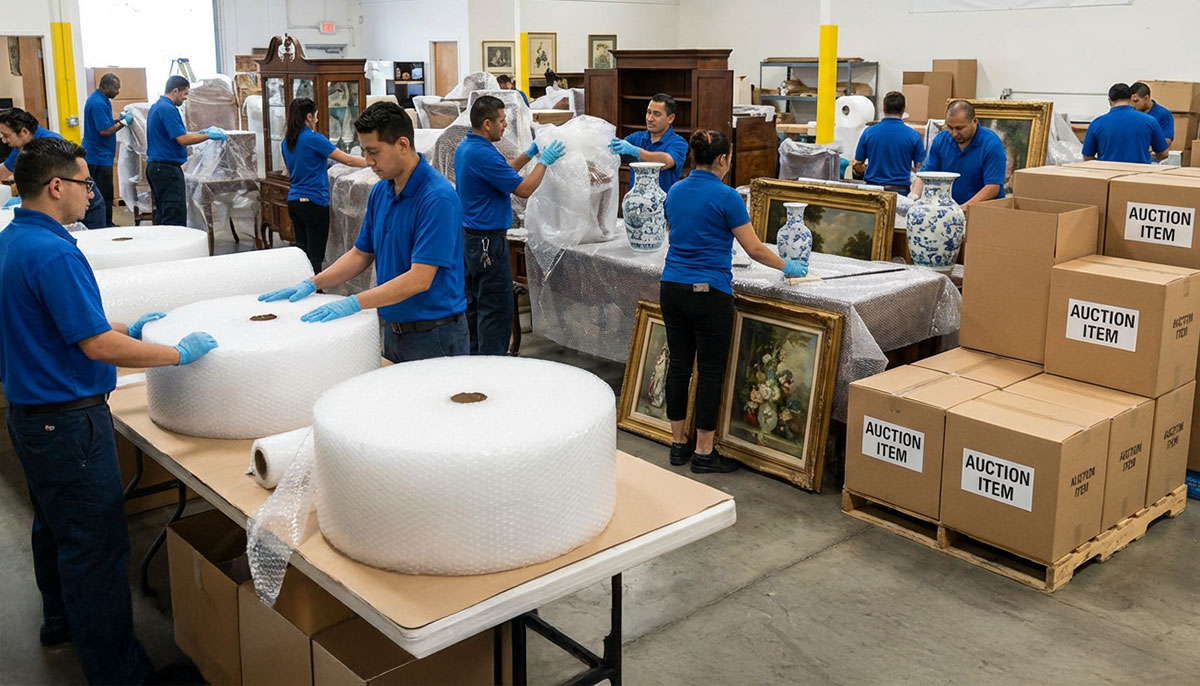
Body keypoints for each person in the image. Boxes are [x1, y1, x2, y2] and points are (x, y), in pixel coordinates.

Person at [0, 137, 217, 685]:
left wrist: (132, 327)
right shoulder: (55, 253)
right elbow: (95, 345)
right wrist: (175, 354)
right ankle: (121, 675)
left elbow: (67, 323)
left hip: (30, 416)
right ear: (56, 187)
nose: (92, 194)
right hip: (68, 422)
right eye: (84, 184)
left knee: (55, 527)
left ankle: (60, 623)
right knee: (96, 548)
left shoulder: (14, 241)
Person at [259, 102, 469, 362]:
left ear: (402, 145)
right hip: (394, 329)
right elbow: (361, 254)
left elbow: (420, 279)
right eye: (365, 152)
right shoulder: (381, 191)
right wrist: (313, 283)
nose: (368, 162)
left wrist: (354, 302)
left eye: (374, 152)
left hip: (434, 334)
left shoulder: (437, 198)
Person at [660, 130, 806, 474]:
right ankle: (704, 452)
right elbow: (753, 249)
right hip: (708, 293)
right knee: (710, 372)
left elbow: (673, 232)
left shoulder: (675, 190)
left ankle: (678, 445)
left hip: (672, 287)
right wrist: (787, 266)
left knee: (679, 366)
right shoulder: (727, 197)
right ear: (723, 159)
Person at [453, 95, 565, 355]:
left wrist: (530, 153)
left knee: (475, 305)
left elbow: (506, 169)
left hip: (470, 239)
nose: (505, 125)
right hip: (487, 242)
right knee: (495, 308)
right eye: (502, 121)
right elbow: (524, 189)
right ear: (487, 123)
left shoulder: (468, 147)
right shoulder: (482, 154)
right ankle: (493, 364)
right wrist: (544, 162)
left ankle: (474, 360)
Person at [281, 97, 368, 274]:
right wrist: (373, 161)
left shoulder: (286, 142)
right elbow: (348, 160)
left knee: (302, 253)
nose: (317, 119)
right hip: (314, 202)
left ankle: (302, 283)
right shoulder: (313, 139)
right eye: (316, 115)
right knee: (315, 256)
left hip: (294, 202)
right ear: (309, 116)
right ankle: (315, 287)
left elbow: (291, 170)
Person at [0, 108, 106, 228]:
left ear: (24, 131)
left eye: (6, 136)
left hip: (84, 204)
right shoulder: (23, 145)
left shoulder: (51, 145)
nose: (3, 140)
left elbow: (72, 181)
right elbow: (4, 171)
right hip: (66, 206)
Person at [146, 75, 227, 226]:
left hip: (156, 168)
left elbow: (175, 134)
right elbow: (182, 139)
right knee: (174, 215)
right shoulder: (168, 109)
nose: (185, 98)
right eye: (185, 94)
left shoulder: (157, 106)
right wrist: (207, 136)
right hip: (167, 170)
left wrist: (200, 133)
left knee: (163, 214)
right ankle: (174, 240)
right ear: (175, 91)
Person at [916, 99, 1008, 206]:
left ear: (974, 121)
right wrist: (914, 196)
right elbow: (925, 175)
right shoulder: (941, 140)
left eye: (959, 128)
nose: (954, 133)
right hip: (949, 207)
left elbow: (992, 187)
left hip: (982, 210)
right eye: (950, 127)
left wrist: (961, 209)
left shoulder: (991, 144)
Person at [609, 93, 689, 193]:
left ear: (670, 118)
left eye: (656, 114)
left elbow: (666, 162)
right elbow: (611, 157)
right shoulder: (635, 138)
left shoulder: (679, 143)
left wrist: (636, 151)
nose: (650, 118)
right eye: (648, 112)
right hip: (635, 200)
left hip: (663, 202)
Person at [83, 72, 133, 228]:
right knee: (103, 195)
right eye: (116, 88)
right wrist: (123, 123)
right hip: (98, 157)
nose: (118, 91)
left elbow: (105, 123)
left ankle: (105, 223)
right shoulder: (97, 102)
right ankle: (104, 226)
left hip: (101, 155)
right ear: (105, 87)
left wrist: (117, 121)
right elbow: (104, 131)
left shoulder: (101, 100)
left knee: (105, 194)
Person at [852, 91, 926, 195]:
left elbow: (857, 164)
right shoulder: (914, 136)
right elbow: (920, 168)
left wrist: (864, 171)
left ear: (884, 108)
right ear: (904, 109)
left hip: (872, 192)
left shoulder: (869, 132)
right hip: (900, 193)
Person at [1084, 82, 1170, 163]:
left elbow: (1087, 157)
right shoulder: (1150, 121)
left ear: (1110, 101)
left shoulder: (1096, 123)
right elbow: (1163, 154)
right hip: (1139, 173)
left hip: (1108, 173)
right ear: (1130, 99)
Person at [1130, 81, 1174, 148]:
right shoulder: (1131, 114)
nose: (1133, 105)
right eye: (1131, 102)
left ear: (1146, 98)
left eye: (1136, 101)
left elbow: (1167, 140)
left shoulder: (1164, 114)